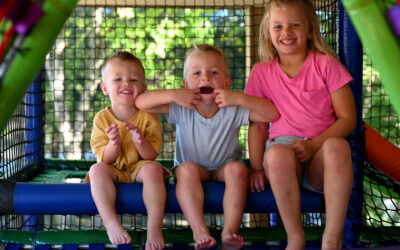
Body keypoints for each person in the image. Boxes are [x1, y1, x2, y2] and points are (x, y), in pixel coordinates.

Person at [136, 43, 279, 250]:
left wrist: (239, 97)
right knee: (187, 170)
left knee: (238, 169)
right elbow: (141, 102)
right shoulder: (183, 108)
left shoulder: (232, 107)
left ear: (227, 82)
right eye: (197, 73)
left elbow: (271, 114)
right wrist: (175, 94)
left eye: (214, 72)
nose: (205, 77)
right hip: (192, 171)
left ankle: (229, 232)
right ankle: (199, 231)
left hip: (224, 168)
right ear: (186, 85)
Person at [245, 0, 356, 249]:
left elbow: (348, 118)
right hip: (284, 157)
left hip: (321, 151)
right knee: (275, 156)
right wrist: (256, 168)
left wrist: (315, 145)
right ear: (268, 32)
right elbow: (257, 125)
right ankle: (295, 237)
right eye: (278, 26)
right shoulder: (262, 72)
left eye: (295, 25)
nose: (286, 32)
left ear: (309, 30)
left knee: (339, 147)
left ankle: (332, 239)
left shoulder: (325, 64)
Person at [87, 51, 169, 249]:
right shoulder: (101, 118)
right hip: (113, 169)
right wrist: (113, 143)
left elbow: (151, 156)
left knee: (153, 170)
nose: (126, 83)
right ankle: (111, 224)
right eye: (118, 79)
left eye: (133, 79)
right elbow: (104, 160)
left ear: (144, 88)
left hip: (139, 167)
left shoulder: (149, 116)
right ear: (105, 88)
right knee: (96, 170)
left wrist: (140, 141)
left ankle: (154, 228)